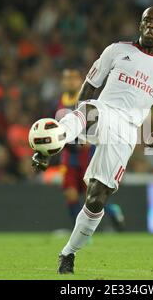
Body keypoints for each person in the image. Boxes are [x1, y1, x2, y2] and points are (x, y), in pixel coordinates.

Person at [32, 6, 153, 274]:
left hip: (126, 130)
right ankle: (49, 146)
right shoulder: (116, 50)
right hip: (105, 110)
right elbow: (89, 87)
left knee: (96, 198)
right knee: (88, 109)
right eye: (146, 21)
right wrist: (76, 125)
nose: (150, 26)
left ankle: (68, 253)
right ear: (140, 25)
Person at [56, 68, 125, 229]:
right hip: (68, 155)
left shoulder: (88, 99)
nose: (70, 81)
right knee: (70, 194)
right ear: (62, 82)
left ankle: (112, 210)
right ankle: (79, 232)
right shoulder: (59, 102)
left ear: (80, 81)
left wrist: (89, 138)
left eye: (73, 78)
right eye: (67, 78)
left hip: (87, 154)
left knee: (92, 197)